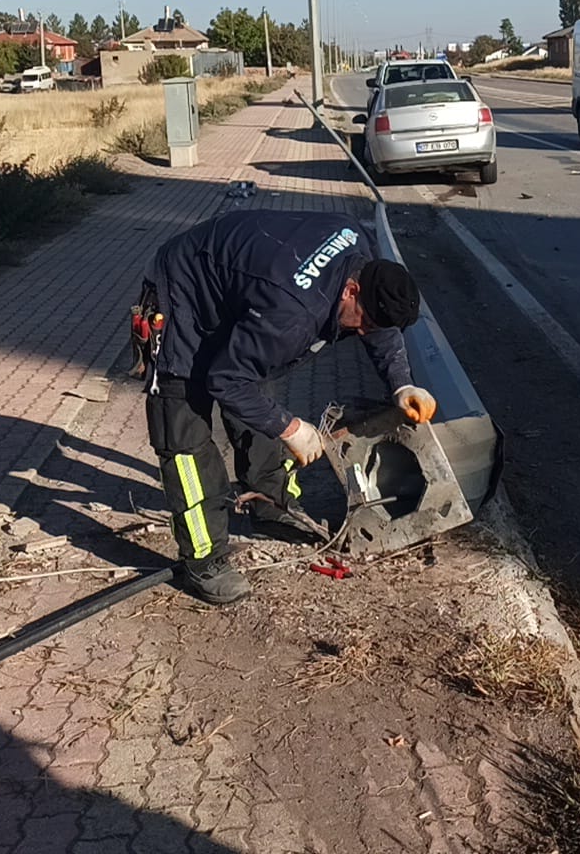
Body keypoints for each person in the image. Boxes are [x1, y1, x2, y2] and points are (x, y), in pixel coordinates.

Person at [135, 210, 437, 604]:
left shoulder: (361, 253)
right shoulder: (292, 312)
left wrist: (402, 383)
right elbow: (226, 381)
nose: (362, 333)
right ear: (350, 290)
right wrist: (293, 428)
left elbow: (378, 330)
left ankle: (272, 503)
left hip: (239, 290)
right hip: (183, 291)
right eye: (363, 322)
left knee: (257, 398)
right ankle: (204, 559)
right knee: (184, 434)